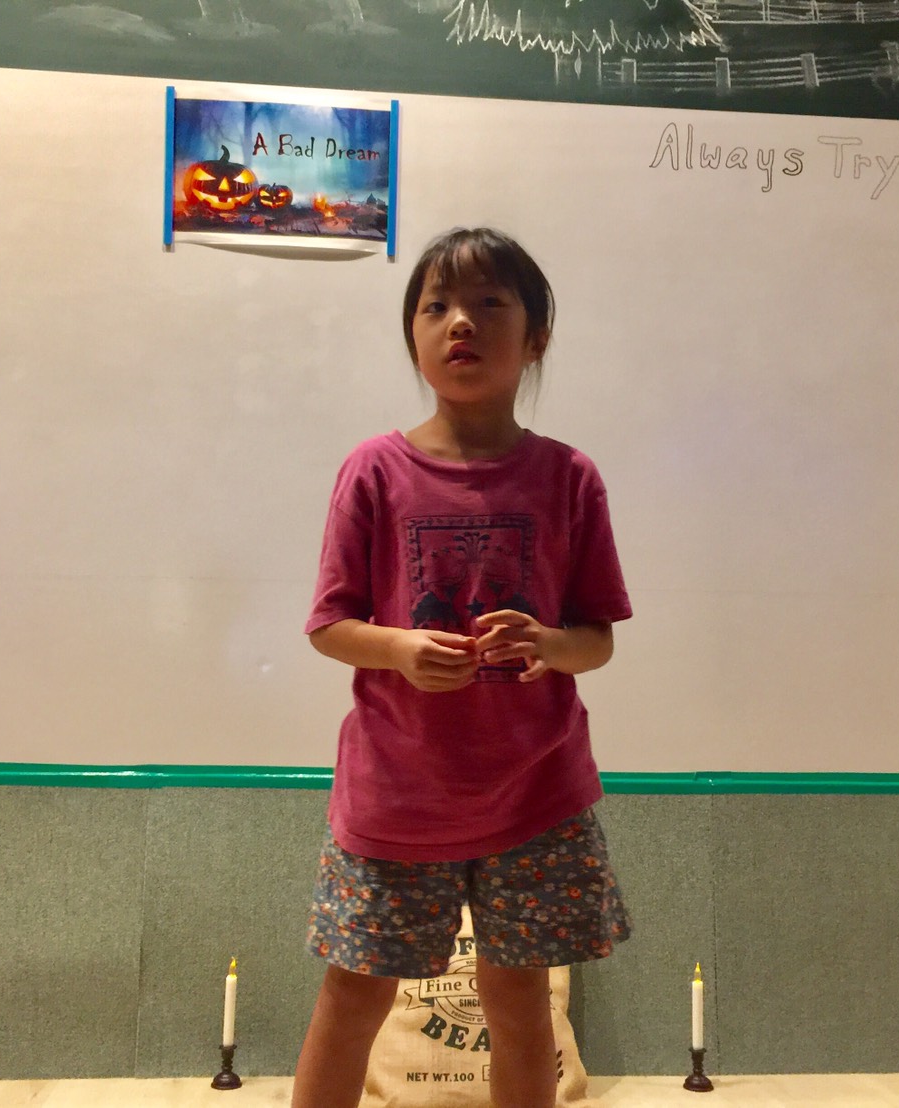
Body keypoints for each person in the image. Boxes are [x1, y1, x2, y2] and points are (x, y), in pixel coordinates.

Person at [292, 227, 632, 1108]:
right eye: (436, 306)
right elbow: (330, 625)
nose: (460, 323)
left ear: (536, 337)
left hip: (535, 791)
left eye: (489, 304)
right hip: (397, 791)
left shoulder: (569, 477)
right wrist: (399, 649)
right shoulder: (375, 469)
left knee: (518, 1002)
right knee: (354, 994)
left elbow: (594, 637)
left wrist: (546, 645)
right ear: (412, 334)